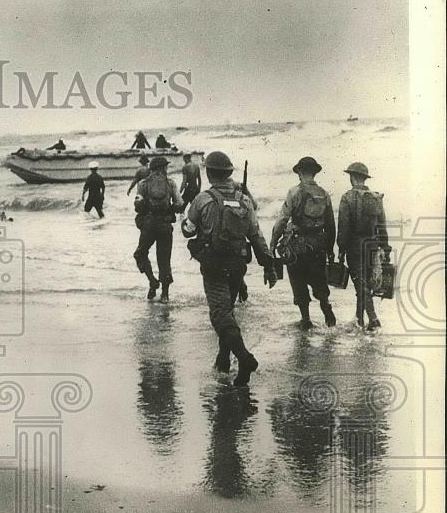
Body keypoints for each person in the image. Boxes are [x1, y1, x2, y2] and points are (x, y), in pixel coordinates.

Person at [182, 151, 277, 386]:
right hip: (237, 266)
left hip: (214, 266)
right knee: (228, 311)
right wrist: (268, 265)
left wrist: (187, 225)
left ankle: (244, 358)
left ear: (209, 173)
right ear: (229, 173)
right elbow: (255, 234)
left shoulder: (203, 199)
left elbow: (188, 230)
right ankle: (223, 360)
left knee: (220, 314)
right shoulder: (244, 200)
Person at [270, 156, 337, 330]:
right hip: (319, 245)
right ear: (314, 173)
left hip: (298, 245)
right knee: (319, 279)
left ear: (300, 172)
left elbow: (282, 220)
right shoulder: (324, 194)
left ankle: (305, 318)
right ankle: (325, 306)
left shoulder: (294, 192)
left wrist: (272, 243)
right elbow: (331, 225)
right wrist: (330, 250)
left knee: (298, 279)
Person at [337, 162, 390, 331]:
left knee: (361, 284)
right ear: (365, 178)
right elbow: (382, 226)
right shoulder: (376, 197)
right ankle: (359, 321)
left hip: (354, 247)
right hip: (372, 247)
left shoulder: (347, 197)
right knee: (365, 283)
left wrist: (341, 249)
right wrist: (385, 248)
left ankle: (373, 319)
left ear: (352, 177)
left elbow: (343, 227)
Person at [133, 156, 183, 301]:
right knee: (164, 259)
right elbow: (179, 204)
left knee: (140, 254)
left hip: (148, 225)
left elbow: (137, 204)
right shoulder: (171, 183)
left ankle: (152, 281)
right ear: (163, 168)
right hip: (165, 225)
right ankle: (165, 295)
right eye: (166, 167)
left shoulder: (143, 184)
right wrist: (171, 209)